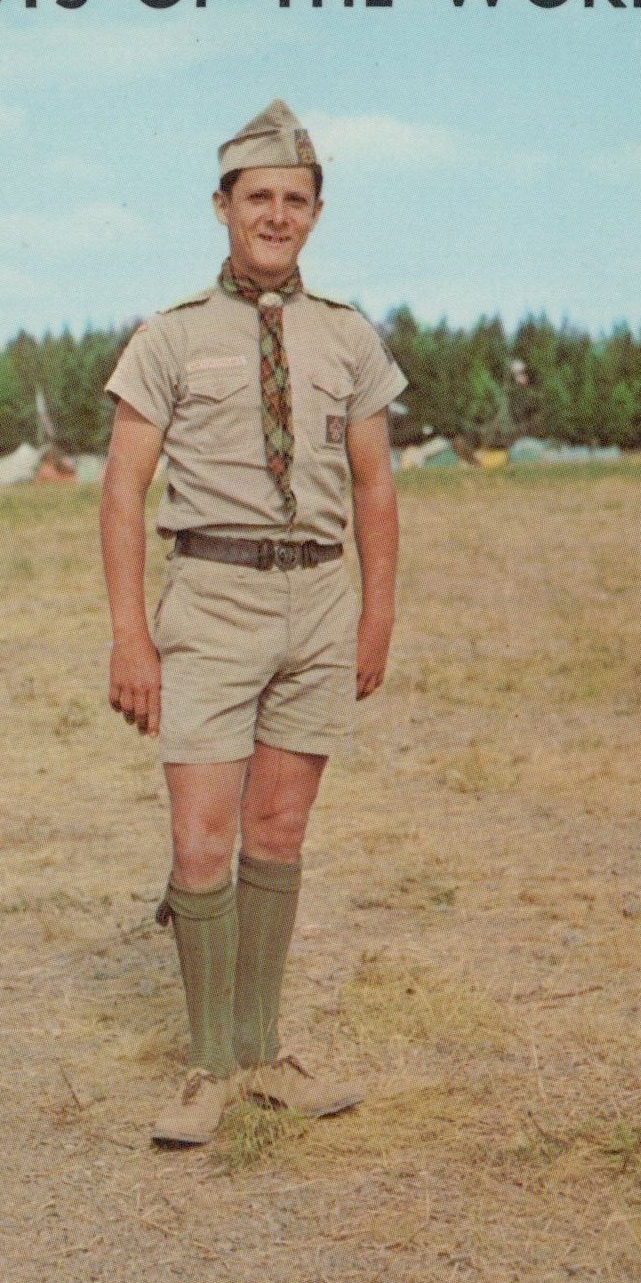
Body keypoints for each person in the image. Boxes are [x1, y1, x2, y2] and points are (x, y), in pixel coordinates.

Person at [100, 99, 406, 1145]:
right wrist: (130, 635)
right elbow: (120, 492)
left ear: (316, 213)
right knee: (201, 837)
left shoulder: (349, 337)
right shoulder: (169, 338)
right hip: (212, 600)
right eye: (257, 197)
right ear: (223, 205)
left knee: (279, 830)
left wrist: (375, 619)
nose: (276, 216)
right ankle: (205, 1068)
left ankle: (263, 1056)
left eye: (295, 200)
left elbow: (375, 490)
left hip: (319, 604)